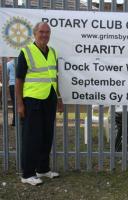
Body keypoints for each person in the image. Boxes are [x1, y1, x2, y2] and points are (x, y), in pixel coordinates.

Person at [16, 22, 63, 186]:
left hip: (49, 99)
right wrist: (20, 104)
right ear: (35, 33)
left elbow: (53, 78)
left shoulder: (52, 52)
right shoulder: (26, 52)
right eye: (41, 32)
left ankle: (43, 169)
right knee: (31, 137)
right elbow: (19, 79)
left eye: (47, 32)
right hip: (32, 100)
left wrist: (58, 98)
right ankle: (28, 173)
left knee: (46, 135)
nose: (45, 35)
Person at [7, 57, 16, 126]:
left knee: (14, 103)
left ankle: (14, 121)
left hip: (12, 84)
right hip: (22, 84)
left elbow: (6, 75)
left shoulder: (9, 64)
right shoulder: (20, 62)